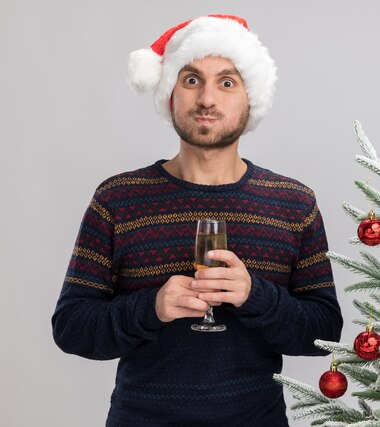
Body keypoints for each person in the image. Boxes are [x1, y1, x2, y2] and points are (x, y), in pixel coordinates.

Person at [52, 14, 343, 426]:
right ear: (170, 92)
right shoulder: (117, 199)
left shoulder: (294, 204)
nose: (207, 99)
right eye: (191, 80)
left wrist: (254, 295)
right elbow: (71, 328)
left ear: (250, 98)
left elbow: (325, 332)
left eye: (227, 82)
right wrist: (151, 307)